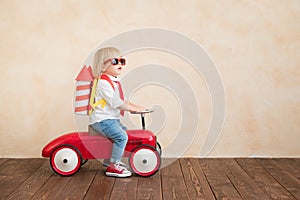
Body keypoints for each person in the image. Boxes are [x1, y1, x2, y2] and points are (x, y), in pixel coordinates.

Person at [89, 47, 144, 178]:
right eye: (115, 61)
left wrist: (137, 107)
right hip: (102, 120)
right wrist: (132, 109)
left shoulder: (113, 81)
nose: (119, 64)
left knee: (124, 132)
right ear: (103, 66)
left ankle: (109, 160)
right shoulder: (103, 83)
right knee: (121, 137)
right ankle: (113, 165)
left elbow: (122, 99)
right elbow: (116, 102)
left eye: (122, 61)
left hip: (111, 119)